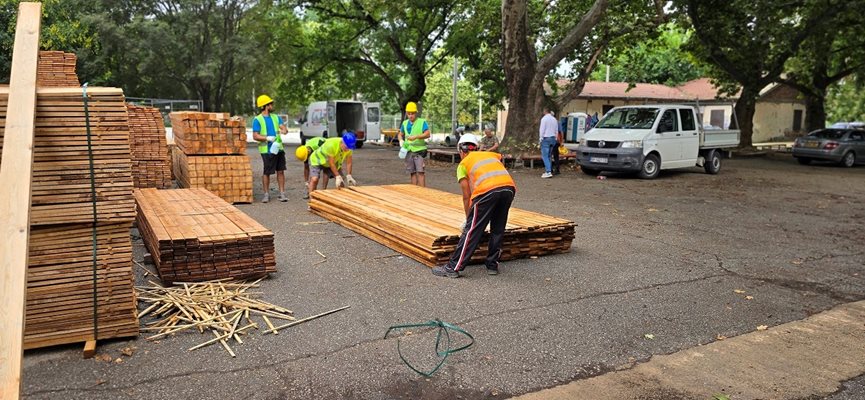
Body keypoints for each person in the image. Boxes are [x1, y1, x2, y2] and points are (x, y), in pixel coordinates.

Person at [431, 134, 516, 278]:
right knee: (498, 228)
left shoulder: (463, 163)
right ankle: (492, 265)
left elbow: (467, 195)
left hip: (487, 191)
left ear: (461, 150)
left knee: (472, 230)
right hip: (508, 188)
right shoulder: (490, 155)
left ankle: (453, 267)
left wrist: (468, 219)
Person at [252, 94, 288, 203]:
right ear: (266, 106)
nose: (272, 105)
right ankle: (266, 194)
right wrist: (267, 138)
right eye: (270, 104)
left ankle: (282, 194)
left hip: (279, 149)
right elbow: (255, 136)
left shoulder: (276, 117)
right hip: (266, 150)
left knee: (280, 171)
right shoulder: (257, 119)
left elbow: (284, 129)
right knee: (267, 172)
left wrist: (284, 130)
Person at [398, 102, 430, 187]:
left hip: (419, 151)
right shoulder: (404, 123)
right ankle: (414, 192)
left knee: (420, 172)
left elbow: (427, 134)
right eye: (409, 114)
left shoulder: (422, 122)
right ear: (407, 114)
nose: (411, 116)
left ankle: (422, 192)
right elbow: (400, 134)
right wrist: (401, 140)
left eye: (412, 113)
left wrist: (416, 136)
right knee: (412, 173)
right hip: (408, 151)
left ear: (416, 113)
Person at [539, 107, 559, 178]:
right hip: (553, 138)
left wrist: (540, 138)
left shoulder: (544, 119)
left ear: (545, 111)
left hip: (546, 138)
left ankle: (548, 171)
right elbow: (556, 130)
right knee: (549, 155)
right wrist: (556, 138)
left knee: (545, 156)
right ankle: (549, 170)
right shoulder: (554, 119)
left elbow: (542, 129)